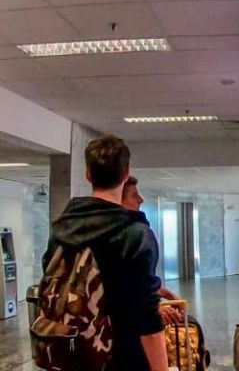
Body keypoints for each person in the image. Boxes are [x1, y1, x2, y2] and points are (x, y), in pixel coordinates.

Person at [44, 136, 168, 371]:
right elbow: (146, 318)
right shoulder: (135, 234)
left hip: (71, 355)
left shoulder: (61, 229)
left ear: (88, 175)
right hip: (121, 358)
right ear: (125, 173)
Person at [121, 176, 182, 326]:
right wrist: (153, 308)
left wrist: (164, 293)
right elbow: (123, 285)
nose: (141, 200)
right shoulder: (134, 232)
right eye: (134, 196)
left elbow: (134, 278)